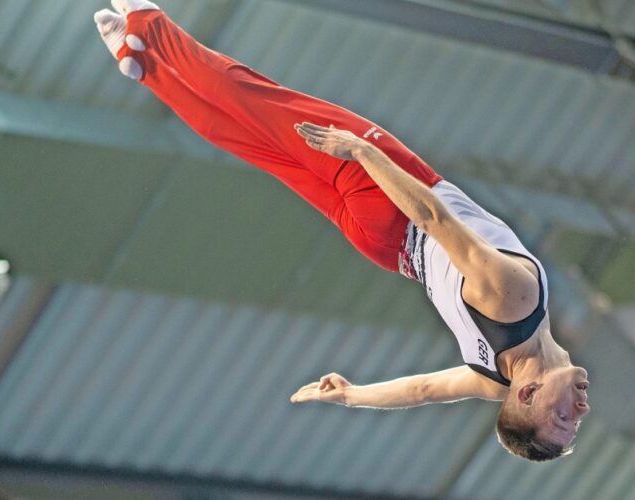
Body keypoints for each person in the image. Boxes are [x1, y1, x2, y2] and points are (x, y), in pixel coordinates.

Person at [95, 0, 589, 461]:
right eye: (575, 423)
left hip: (392, 197)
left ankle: (145, 21)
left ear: (528, 394)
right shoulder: (493, 381)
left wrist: (363, 153)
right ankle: (146, 67)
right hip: (383, 248)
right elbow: (422, 392)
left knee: (261, 104)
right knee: (255, 145)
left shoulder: (516, 297)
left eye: (563, 417)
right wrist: (352, 396)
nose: (581, 411)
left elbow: (435, 218)